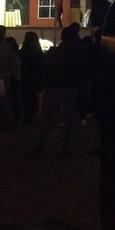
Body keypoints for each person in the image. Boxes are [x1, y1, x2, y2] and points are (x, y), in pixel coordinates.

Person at [31, 24, 85, 157]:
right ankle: (64, 149)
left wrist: (45, 85)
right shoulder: (76, 54)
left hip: (53, 88)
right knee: (67, 121)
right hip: (70, 88)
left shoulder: (52, 53)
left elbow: (44, 70)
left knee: (47, 120)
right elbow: (80, 72)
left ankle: (38, 148)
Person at [19, 31, 44, 123]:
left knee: (25, 96)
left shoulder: (23, 50)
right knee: (33, 96)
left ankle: (27, 115)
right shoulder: (38, 51)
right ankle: (32, 114)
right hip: (35, 76)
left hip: (25, 76)